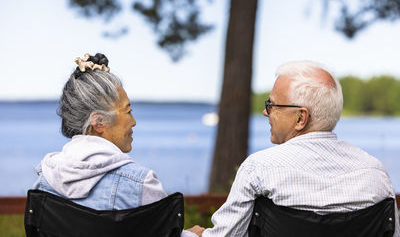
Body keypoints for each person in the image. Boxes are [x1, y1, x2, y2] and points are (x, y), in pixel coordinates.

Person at [201, 60, 399, 236]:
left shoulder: (259, 169)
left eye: (272, 104)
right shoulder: (375, 173)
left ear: (300, 118)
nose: (265, 112)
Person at [33, 53, 204, 237]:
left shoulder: (44, 182)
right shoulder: (140, 184)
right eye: (128, 111)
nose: (134, 122)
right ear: (98, 122)